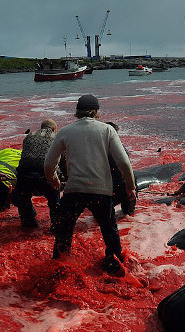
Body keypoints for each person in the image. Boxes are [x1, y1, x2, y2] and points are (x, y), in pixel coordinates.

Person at [44, 94, 136, 274]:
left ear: (77, 112)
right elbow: (124, 162)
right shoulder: (107, 130)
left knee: (64, 233)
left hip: (74, 190)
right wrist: (130, 186)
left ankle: (59, 269)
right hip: (101, 190)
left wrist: (52, 177)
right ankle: (115, 264)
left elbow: (48, 163)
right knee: (109, 230)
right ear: (96, 112)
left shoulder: (65, 131)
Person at [13, 119, 63, 229]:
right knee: (54, 200)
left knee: (24, 198)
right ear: (54, 129)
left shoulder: (29, 136)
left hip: (24, 175)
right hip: (45, 174)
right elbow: (61, 160)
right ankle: (56, 225)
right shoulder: (57, 138)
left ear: (42, 127)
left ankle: (29, 223)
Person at [106, 121, 136, 215]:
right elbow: (126, 166)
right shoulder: (120, 148)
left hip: (110, 186)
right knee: (127, 214)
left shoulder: (99, 149)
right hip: (123, 185)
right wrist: (131, 187)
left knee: (103, 215)